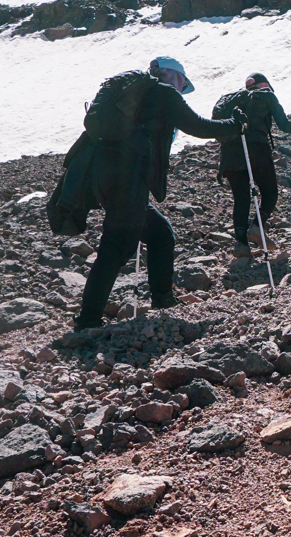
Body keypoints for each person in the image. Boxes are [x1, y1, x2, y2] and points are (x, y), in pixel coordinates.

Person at [75, 56, 243, 331]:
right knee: (117, 245)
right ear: (170, 74)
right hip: (128, 176)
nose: (182, 87)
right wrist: (236, 125)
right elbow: (200, 127)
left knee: (159, 234)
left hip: (106, 175)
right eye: (181, 81)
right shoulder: (162, 93)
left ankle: (163, 299)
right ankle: (88, 321)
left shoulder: (136, 94)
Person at [215, 73, 291, 257]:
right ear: (265, 84)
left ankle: (241, 243)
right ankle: (257, 227)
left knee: (241, 198)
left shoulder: (230, 100)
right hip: (257, 151)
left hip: (229, 155)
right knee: (269, 192)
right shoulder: (266, 95)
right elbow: (284, 125)